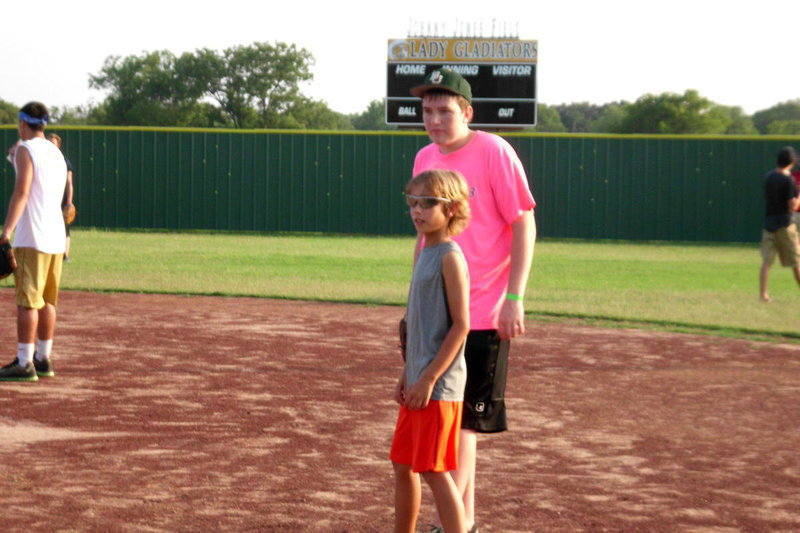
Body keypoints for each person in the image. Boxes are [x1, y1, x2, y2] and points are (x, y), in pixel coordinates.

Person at [409, 68, 537, 533]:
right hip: (440, 311)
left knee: (462, 428)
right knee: (454, 425)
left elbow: (523, 223)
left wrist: (515, 297)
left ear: (467, 111)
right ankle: (465, 523)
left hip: (482, 309)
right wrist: (414, 302)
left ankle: (452, 527)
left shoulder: (494, 151)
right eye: (427, 110)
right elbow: (425, 235)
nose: (435, 119)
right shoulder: (425, 156)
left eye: (445, 110)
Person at [391, 169, 471, 533]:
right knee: (403, 462)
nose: (417, 210)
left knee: (434, 470)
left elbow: (461, 325)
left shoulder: (449, 257)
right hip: (419, 378)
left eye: (427, 203)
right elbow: (420, 327)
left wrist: (427, 378)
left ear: (452, 208)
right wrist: (406, 374)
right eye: (412, 202)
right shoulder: (425, 251)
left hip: (438, 386)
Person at [0, 102, 68, 381]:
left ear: (22, 123)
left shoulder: (27, 150)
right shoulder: (56, 152)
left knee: (28, 301)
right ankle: (43, 359)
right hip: (55, 237)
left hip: (33, 236)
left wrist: (6, 232)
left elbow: (23, 191)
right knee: (47, 301)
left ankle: (24, 363)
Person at [759, 146, 800, 302]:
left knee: (767, 261)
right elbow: (793, 206)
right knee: (796, 261)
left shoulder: (769, 176)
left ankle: (763, 294)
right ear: (792, 162)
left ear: (777, 160)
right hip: (785, 224)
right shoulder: (788, 180)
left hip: (769, 223)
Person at [47, 133, 75, 261]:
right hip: (48, 198)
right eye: (48, 142)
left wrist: (69, 201)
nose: (50, 145)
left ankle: (65, 255)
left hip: (61, 198)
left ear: (58, 145)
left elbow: (69, 183)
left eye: (53, 143)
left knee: (64, 227)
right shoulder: (43, 160)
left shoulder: (64, 161)